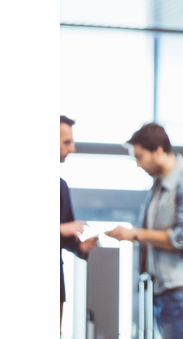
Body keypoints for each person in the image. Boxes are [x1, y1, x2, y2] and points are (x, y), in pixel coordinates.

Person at [105, 123, 183, 339]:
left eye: (139, 157)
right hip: (163, 288)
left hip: (180, 290)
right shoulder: (160, 186)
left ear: (158, 150)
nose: (138, 164)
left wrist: (135, 234)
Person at [59, 115, 99, 327]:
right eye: (67, 142)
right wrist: (61, 228)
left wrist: (80, 247)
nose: (72, 149)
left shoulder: (62, 186)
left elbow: (64, 237)